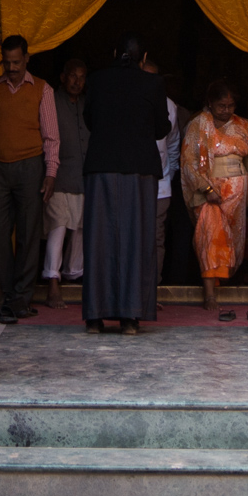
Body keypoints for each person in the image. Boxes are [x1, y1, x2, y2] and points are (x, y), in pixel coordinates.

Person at [80, 36, 171, 333]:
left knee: (99, 241)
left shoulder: (96, 81)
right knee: (136, 240)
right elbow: (161, 129)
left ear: (114, 53)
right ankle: (130, 317)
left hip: (102, 167)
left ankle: (94, 317)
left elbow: (90, 120)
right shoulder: (152, 84)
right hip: (138, 170)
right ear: (143, 58)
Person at [0, 35, 59, 324]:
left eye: (16, 62)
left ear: (26, 59)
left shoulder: (42, 89)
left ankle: (21, 298)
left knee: (28, 233)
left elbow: (51, 137)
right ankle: (9, 293)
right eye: (6, 62)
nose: (10, 68)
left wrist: (50, 173)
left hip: (30, 166)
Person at [181, 79, 248, 312]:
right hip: (209, 193)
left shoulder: (243, 125)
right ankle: (210, 294)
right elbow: (189, 162)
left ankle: (221, 283)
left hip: (236, 195)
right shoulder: (198, 124)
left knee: (230, 242)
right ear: (210, 103)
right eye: (221, 106)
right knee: (210, 237)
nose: (226, 110)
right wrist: (206, 189)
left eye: (231, 105)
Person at [43, 58, 91, 309]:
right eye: (73, 76)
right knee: (58, 227)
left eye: (81, 77)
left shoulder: (86, 104)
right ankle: (52, 280)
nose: (77, 81)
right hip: (59, 176)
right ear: (63, 77)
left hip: (83, 177)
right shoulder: (51, 101)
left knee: (81, 229)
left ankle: (75, 274)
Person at [153, 87, 181, 288]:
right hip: (131, 184)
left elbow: (172, 145)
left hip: (160, 185)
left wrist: (166, 178)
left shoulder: (169, 106)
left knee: (156, 238)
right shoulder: (126, 97)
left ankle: (151, 288)